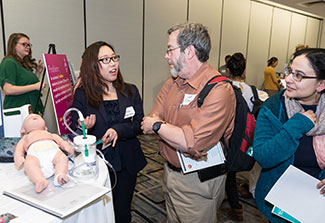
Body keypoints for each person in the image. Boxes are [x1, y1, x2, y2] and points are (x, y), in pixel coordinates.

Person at [141, 22, 236, 222]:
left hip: (198, 182)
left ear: (189, 51)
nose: (166, 56)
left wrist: (159, 126)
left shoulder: (220, 91)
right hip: (169, 172)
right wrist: (169, 129)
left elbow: (191, 142)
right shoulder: (173, 83)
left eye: (170, 50)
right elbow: (149, 120)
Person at [71, 41, 147, 223]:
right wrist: (84, 128)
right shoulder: (83, 94)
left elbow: (140, 124)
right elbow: (74, 126)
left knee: (122, 212)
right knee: (99, 213)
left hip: (127, 160)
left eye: (114, 58)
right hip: (97, 162)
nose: (112, 63)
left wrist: (118, 130)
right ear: (93, 65)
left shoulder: (130, 90)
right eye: (105, 60)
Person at [253, 48, 325, 223]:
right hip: (280, 204)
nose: (288, 79)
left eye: (298, 75)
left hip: (318, 204)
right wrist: (295, 126)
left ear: (321, 84)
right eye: (290, 71)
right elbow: (263, 156)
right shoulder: (273, 107)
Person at [224, 52, 267, 221]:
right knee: (238, 167)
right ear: (244, 71)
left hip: (227, 136)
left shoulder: (222, 89)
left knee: (228, 172)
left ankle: (235, 206)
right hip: (246, 137)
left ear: (228, 70)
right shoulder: (255, 92)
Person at [14, 114, 73, 193]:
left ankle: (60, 175)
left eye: (38, 117)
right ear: (23, 130)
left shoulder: (51, 135)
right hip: (35, 156)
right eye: (29, 118)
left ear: (45, 128)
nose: (34, 116)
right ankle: (39, 180)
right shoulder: (25, 138)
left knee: (62, 157)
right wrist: (18, 157)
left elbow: (61, 142)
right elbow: (18, 151)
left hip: (53, 153)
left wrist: (66, 146)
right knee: (29, 163)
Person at [0, 33, 45, 114]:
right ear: (14, 45)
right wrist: (35, 86)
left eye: (29, 45)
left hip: (30, 110)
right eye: (24, 44)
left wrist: (37, 73)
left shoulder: (23, 63)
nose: (28, 47)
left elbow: (26, 83)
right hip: (18, 111)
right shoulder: (8, 62)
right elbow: (8, 89)